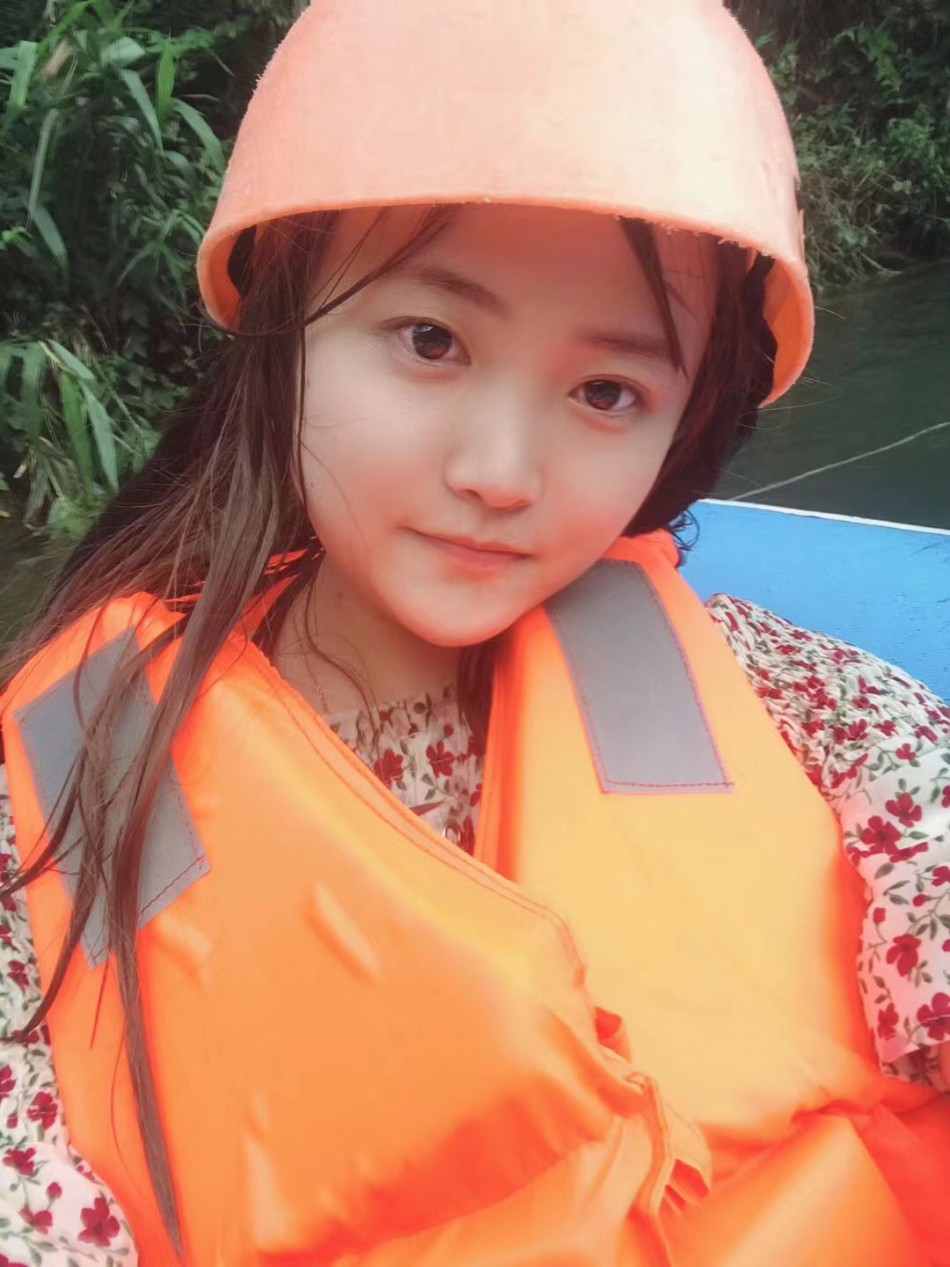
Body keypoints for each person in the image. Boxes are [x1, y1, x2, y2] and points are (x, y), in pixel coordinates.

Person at [0, 0, 947, 1263]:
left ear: (685, 421)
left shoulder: (807, 710)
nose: (499, 473)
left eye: (605, 390)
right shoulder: (59, 816)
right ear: (283, 328)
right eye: (430, 340)